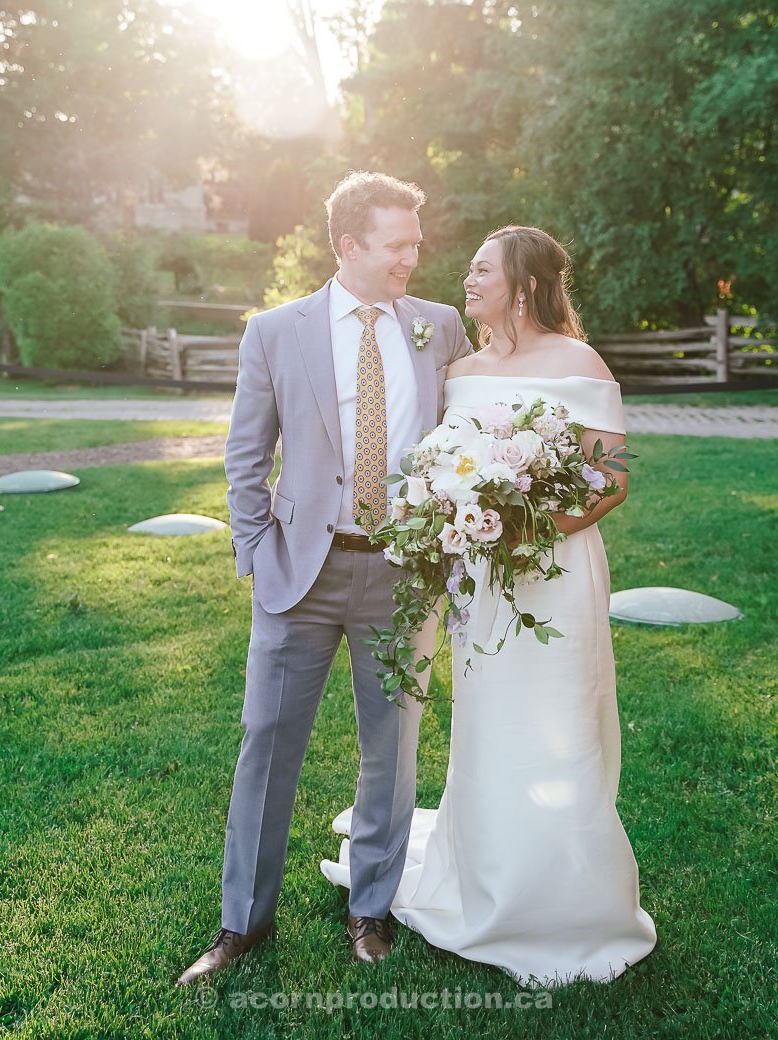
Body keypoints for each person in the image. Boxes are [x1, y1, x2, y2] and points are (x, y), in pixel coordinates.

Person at [321, 224, 658, 985]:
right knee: (489, 721)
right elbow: (447, 467)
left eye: (480, 270)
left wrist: (531, 536)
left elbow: (609, 480)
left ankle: (570, 896)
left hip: (556, 573)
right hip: (479, 581)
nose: (465, 281)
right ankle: (486, 877)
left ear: (525, 284)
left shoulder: (580, 362)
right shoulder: (461, 369)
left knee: (563, 716)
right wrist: (453, 522)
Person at [176, 171, 473, 986]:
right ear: (349, 246)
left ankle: (370, 910)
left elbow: (472, 434)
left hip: (404, 574)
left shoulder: (439, 328)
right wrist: (253, 547)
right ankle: (242, 923)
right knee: (266, 744)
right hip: (298, 574)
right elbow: (246, 451)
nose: (414, 256)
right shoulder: (276, 331)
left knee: (391, 745)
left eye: (416, 241)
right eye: (399, 244)